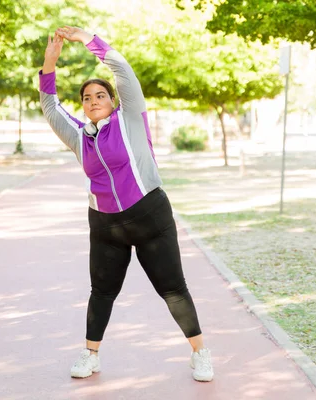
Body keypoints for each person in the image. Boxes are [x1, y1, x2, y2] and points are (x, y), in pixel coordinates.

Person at [39, 26, 213, 382]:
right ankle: (91, 355)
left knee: (172, 288)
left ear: (113, 99)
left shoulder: (130, 117)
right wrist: (49, 64)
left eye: (100, 94)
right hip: (105, 226)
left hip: (149, 215)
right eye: (86, 97)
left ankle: (200, 354)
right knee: (101, 291)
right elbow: (50, 107)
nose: (93, 100)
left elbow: (122, 70)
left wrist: (88, 39)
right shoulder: (79, 137)